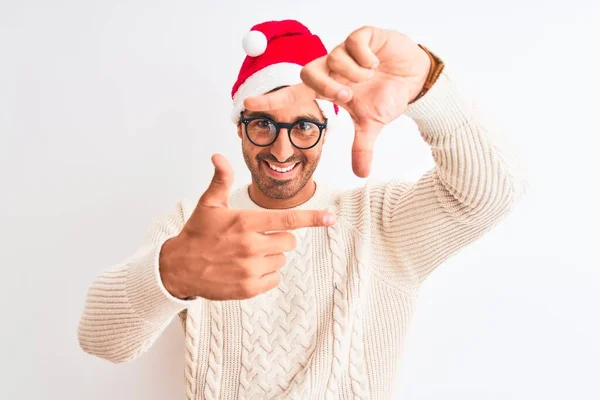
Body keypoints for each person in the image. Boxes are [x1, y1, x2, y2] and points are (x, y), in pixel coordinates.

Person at [78, 19, 527, 400]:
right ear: (240, 129)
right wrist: (169, 271)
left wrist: (428, 87)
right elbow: (100, 339)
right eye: (263, 124)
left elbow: (493, 192)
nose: (282, 146)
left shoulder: (380, 222)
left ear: (327, 130)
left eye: (304, 126)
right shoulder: (194, 228)